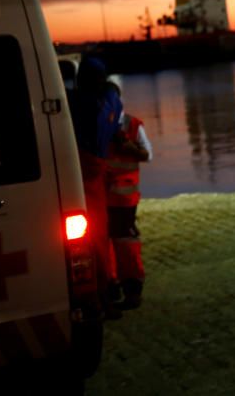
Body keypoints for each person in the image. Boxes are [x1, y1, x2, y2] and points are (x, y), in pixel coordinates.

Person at [67, 57, 123, 320]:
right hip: (93, 176)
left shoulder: (77, 103)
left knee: (87, 241)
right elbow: (113, 98)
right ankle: (101, 297)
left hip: (77, 174)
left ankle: (95, 299)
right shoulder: (108, 104)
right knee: (97, 239)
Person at [104, 75, 152, 311]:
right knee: (105, 243)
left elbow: (147, 154)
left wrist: (128, 146)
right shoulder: (95, 124)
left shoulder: (132, 125)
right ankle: (111, 288)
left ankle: (131, 289)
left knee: (124, 242)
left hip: (123, 199)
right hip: (101, 198)